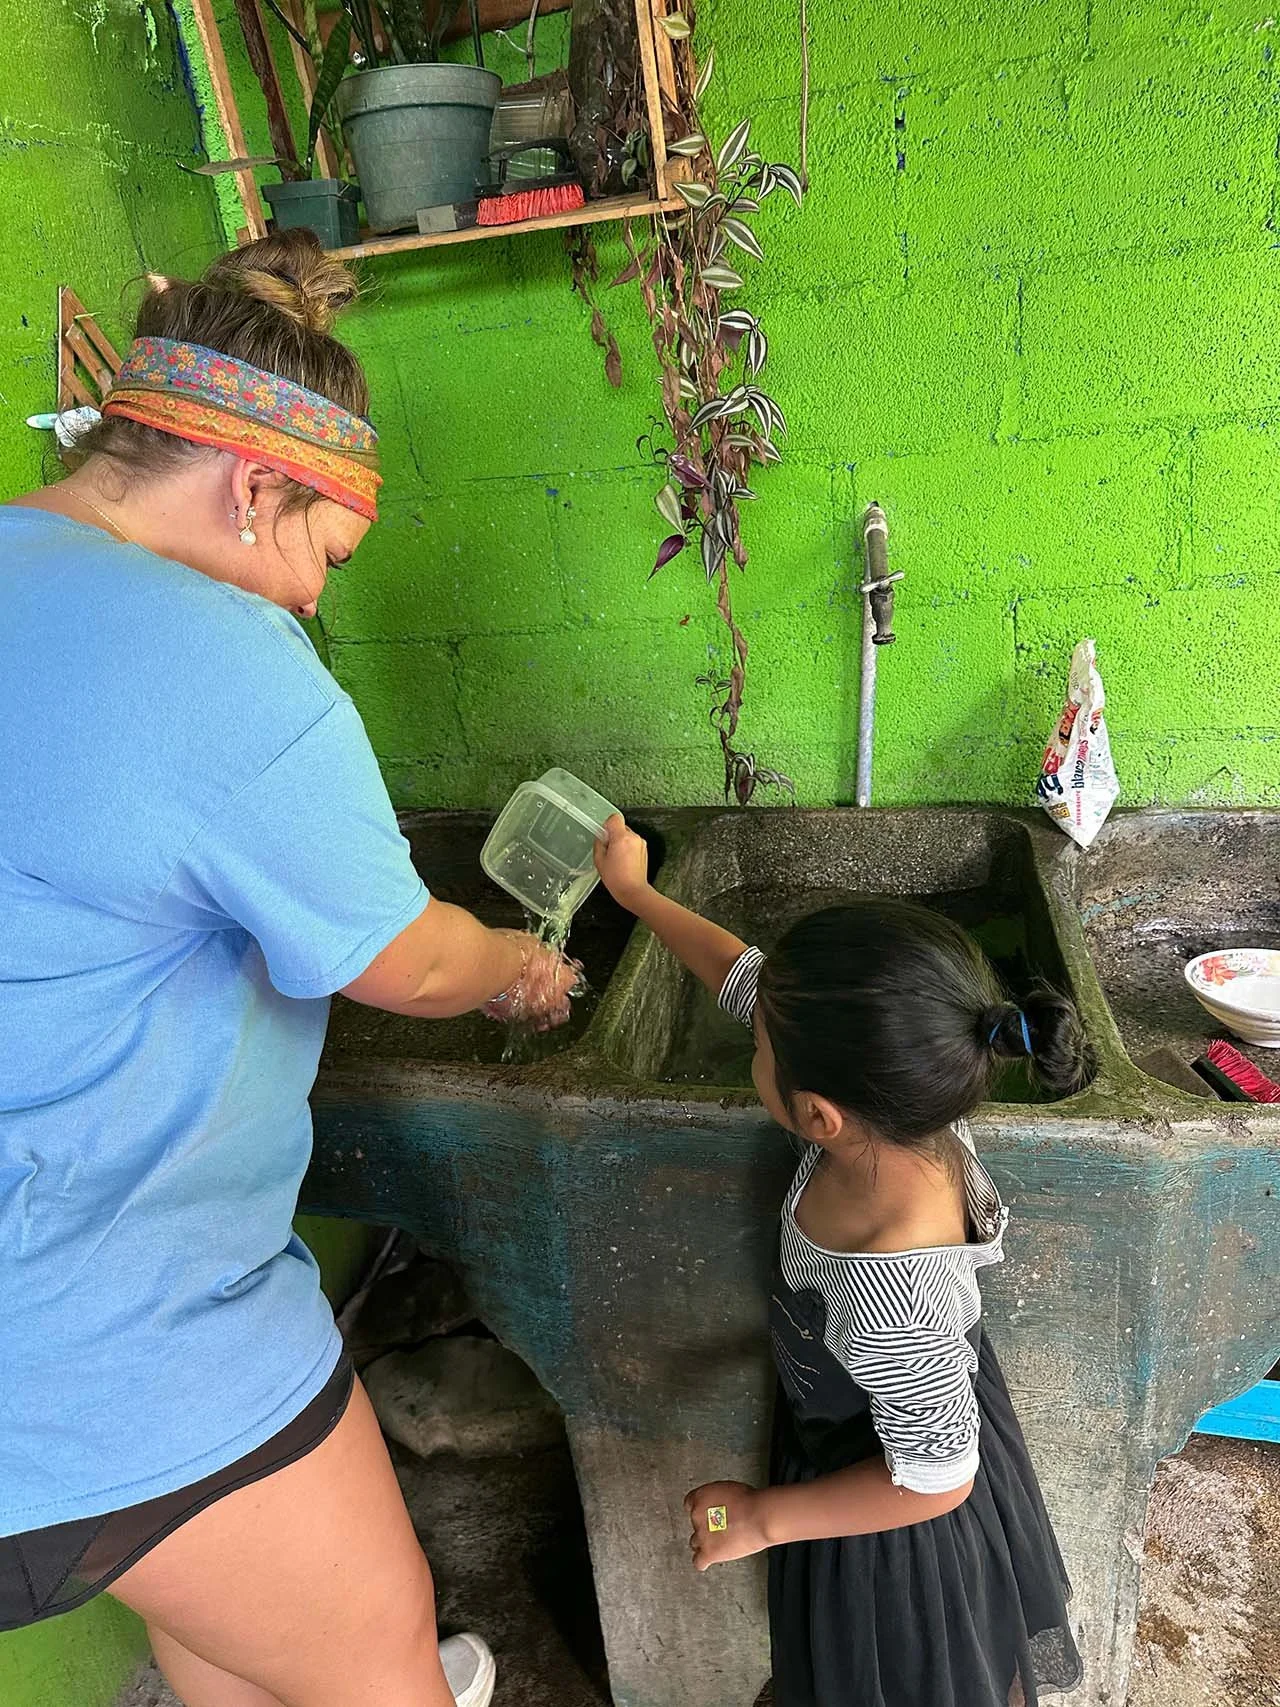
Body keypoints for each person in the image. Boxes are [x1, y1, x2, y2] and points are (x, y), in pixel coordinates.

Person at [0, 231, 577, 1707]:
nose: (318, 600)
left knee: (215, 1623)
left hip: (41, 1375)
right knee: (381, 1659)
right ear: (258, 487)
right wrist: (516, 959)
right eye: (326, 552)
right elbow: (401, 956)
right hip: (110, 1325)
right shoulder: (224, 660)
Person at [594, 814, 1087, 1707]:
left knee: (885, 1680)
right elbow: (746, 981)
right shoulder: (909, 1107)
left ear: (818, 1114)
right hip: (874, 1417)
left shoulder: (888, 1288)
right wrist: (639, 895)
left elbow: (936, 1478)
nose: (754, 1038)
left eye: (760, 1052)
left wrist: (761, 1517)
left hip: (896, 1517)